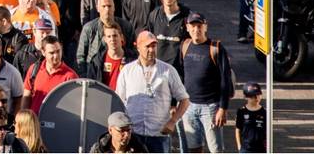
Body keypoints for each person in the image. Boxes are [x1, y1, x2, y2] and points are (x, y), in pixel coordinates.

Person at [114, 31, 189, 153]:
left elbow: (184, 100)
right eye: (147, 46)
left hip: (158, 134)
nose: (151, 50)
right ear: (137, 47)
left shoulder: (168, 70)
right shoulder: (127, 71)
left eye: (154, 46)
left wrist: (172, 121)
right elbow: (119, 101)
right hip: (134, 134)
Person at [176, 12, 234, 154]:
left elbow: (225, 80)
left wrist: (222, 108)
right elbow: (179, 75)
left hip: (211, 108)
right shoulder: (184, 45)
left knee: (216, 150)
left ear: (205, 27)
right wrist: (176, 102)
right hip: (188, 107)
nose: (196, 30)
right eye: (193, 26)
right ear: (187, 28)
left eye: (199, 26)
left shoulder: (216, 48)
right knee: (194, 148)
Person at [235, 83, 266, 153]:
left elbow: (267, 130)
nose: (256, 98)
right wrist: (239, 146)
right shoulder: (241, 112)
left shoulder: (264, 112)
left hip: (261, 148)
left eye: (258, 95)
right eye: (252, 96)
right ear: (246, 97)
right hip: (246, 148)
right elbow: (238, 130)